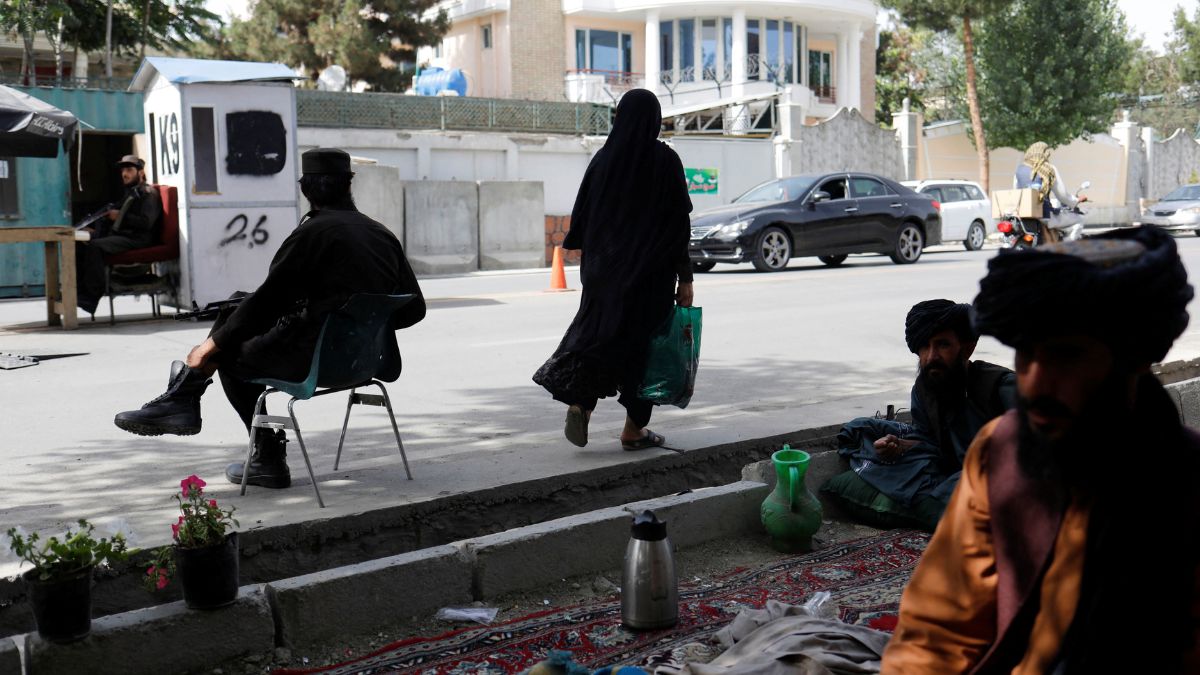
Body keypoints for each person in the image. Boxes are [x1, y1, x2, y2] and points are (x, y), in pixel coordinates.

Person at [882, 226, 1200, 673]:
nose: (1036, 380)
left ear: (1133, 359)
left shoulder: (1186, 482)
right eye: (1026, 355)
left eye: (1065, 356)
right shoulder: (1001, 452)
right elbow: (937, 631)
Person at [113, 148, 426, 489]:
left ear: (305, 189)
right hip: (362, 363)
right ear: (349, 186)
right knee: (236, 306)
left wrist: (208, 346)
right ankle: (182, 397)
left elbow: (267, 304)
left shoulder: (311, 234)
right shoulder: (382, 235)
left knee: (226, 353)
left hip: (313, 363)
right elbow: (413, 308)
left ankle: (264, 456)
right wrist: (361, 325)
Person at [532, 89, 694, 451]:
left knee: (599, 338)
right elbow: (677, 223)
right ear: (653, 120)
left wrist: (595, 266)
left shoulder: (603, 159)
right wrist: (686, 278)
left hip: (603, 273)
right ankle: (633, 431)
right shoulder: (665, 160)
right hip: (649, 276)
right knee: (644, 349)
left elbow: (583, 217)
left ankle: (582, 405)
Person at [822, 300, 1015, 531]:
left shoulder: (1001, 387)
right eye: (924, 346)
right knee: (864, 433)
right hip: (955, 474)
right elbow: (930, 442)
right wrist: (900, 445)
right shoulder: (925, 389)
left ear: (967, 348)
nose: (931, 356)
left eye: (942, 345)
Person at [75, 155, 162, 315]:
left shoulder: (148, 194)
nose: (124, 173)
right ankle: (77, 292)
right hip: (124, 237)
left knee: (95, 247)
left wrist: (120, 215)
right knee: (81, 244)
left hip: (138, 240)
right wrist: (96, 231)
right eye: (123, 170)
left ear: (141, 172)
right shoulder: (130, 193)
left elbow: (146, 223)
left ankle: (91, 296)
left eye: (129, 169)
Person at [1014, 141, 1085, 243]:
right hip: (1043, 214)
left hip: (1022, 214)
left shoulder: (1019, 170)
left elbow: (1016, 192)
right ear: (1044, 153)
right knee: (1078, 220)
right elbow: (1062, 196)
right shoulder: (1048, 169)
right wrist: (1076, 201)